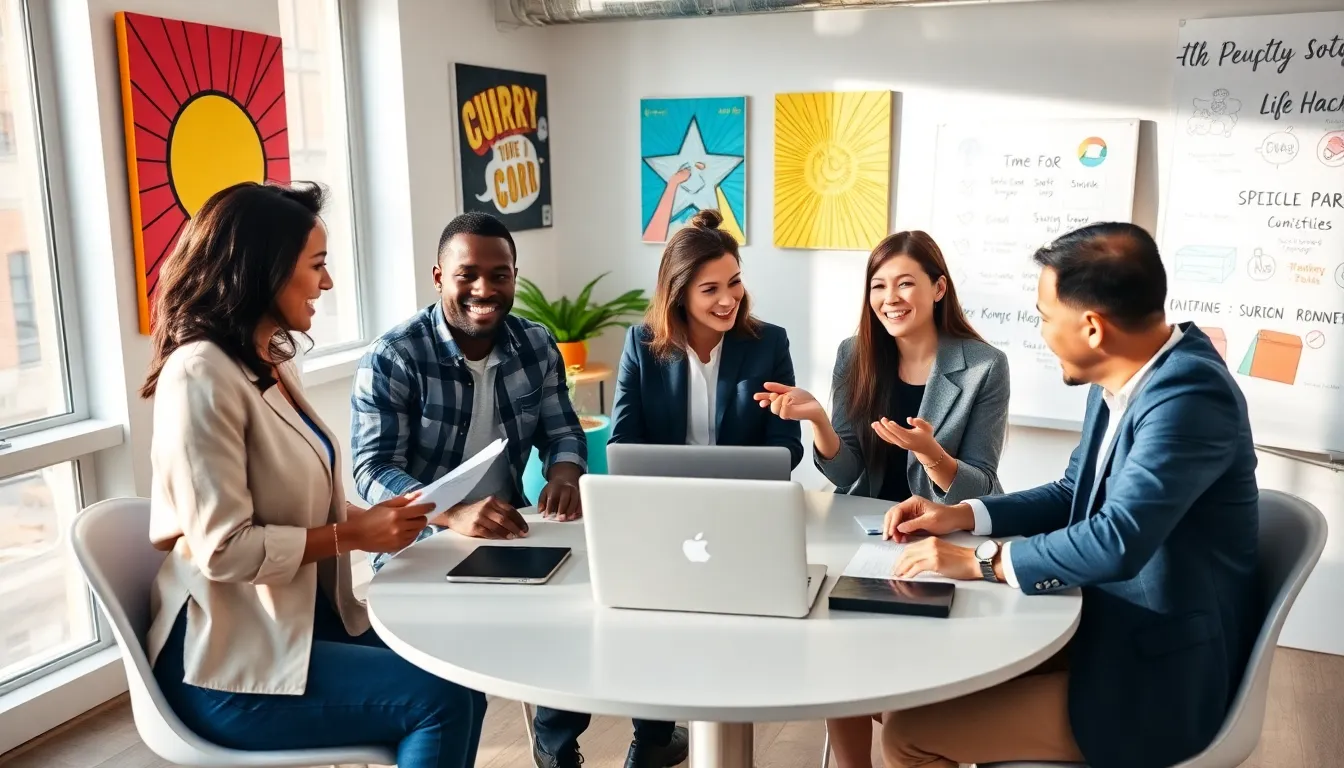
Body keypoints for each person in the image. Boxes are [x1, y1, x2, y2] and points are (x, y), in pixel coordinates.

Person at [879, 222, 1259, 768]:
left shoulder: (1189, 397)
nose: (1040, 332)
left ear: (1091, 328)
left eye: (1044, 317)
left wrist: (978, 561)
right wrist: (961, 513)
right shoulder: (1125, 379)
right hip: (1099, 632)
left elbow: (1118, 539)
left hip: (1154, 679)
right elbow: (1070, 493)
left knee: (906, 737)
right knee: (912, 690)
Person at [140, 181, 486, 768]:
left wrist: (374, 518)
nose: (327, 282)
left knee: (459, 673)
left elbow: (297, 502)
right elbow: (223, 550)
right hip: (222, 663)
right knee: (442, 698)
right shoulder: (198, 374)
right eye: (317, 265)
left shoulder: (267, 359)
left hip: (300, 625)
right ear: (264, 270)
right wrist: (354, 535)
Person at [754, 230, 1009, 766]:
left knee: (908, 697)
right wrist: (820, 421)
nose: (889, 297)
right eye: (878, 285)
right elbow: (846, 472)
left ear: (939, 288)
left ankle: (917, 738)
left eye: (905, 283)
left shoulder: (985, 364)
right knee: (833, 646)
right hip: (866, 535)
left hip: (943, 537)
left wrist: (932, 455)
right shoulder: (855, 354)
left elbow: (982, 485)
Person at [350, 211, 590, 768]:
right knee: (455, 685)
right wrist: (449, 512)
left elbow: (562, 428)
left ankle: (556, 745)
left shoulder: (534, 344)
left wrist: (564, 471)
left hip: (514, 533)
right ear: (439, 276)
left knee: (586, 616)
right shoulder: (395, 357)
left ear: (514, 276)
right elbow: (371, 469)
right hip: (420, 545)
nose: (485, 289)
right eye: (468, 274)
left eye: (500, 274)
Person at [611, 208, 803, 471]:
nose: (728, 300)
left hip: (745, 493)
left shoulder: (770, 343)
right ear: (679, 294)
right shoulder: (640, 344)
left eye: (734, 282)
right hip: (666, 492)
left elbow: (787, 446)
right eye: (710, 289)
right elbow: (623, 443)